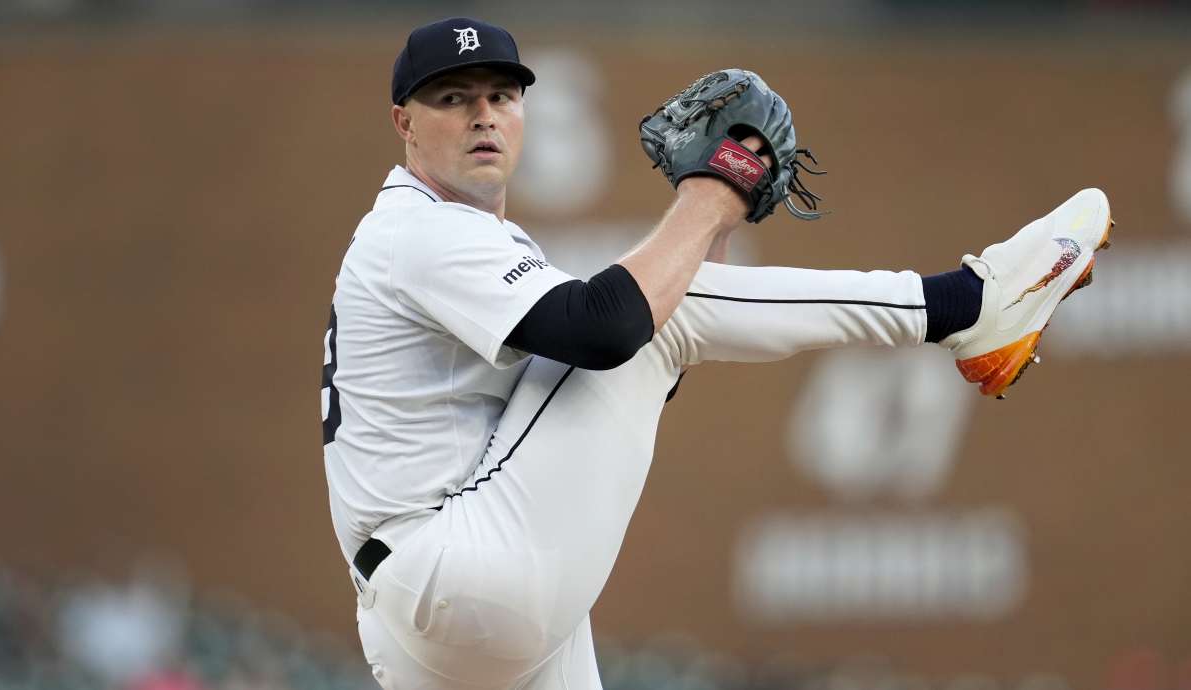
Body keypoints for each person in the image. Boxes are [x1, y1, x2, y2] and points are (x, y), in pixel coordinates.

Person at [320, 17, 1111, 690]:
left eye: (500, 95)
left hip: (439, 601)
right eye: (452, 99)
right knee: (644, 314)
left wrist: (713, 228)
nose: (482, 115)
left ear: (524, 109)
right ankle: (967, 306)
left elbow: (629, 378)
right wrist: (713, 190)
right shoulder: (421, 229)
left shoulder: (459, 237)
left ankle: (970, 312)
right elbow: (605, 330)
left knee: (654, 315)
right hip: (456, 567)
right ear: (404, 123)